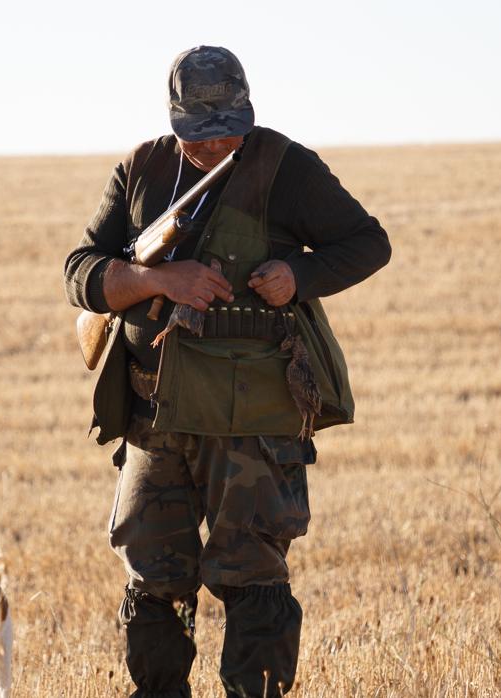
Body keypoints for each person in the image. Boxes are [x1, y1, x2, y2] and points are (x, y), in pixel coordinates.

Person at [63, 45, 391, 697]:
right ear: (174, 119)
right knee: (154, 580)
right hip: (155, 419)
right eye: (199, 135)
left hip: (254, 423)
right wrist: (157, 279)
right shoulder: (142, 167)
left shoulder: (285, 167)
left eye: (228, 129)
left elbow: (368, 243)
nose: (216, 146)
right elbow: (80, 271)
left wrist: (299, 274)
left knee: (252, 579)